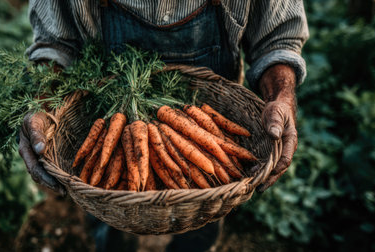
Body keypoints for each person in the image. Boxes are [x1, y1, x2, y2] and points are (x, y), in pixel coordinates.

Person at [18, 0, 308, 251]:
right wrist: (42, 104)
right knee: (106, 202)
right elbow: (55, 44)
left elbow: (277, 39)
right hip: (102, 111)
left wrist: (281, 96)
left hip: (210, 113)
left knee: (206, 206)